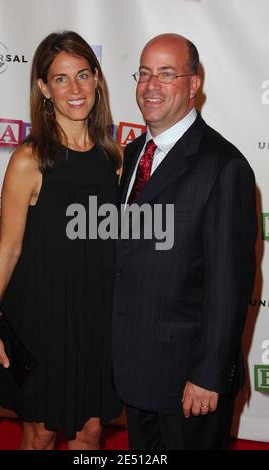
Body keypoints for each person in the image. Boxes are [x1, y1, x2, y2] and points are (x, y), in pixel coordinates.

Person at [0, 31, 123, 450]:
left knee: (91, 432)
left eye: (82, 75)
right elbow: (9, 247)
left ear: (97, 79)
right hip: (40, 316)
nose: (74, 89)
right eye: (60, 79)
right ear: (43, 88)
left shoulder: (114, 157)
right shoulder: (30, 159)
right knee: (40, 432)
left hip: (95, 317)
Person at [112, 33, 257, 450]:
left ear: (194, 84)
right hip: (135, 372)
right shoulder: (133, 153)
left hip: (189, 385)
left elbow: (229, 284)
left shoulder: (223, 166)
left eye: (166, 73)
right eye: (143, 73)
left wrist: (209, 374)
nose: (150, 85)